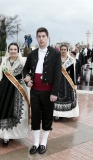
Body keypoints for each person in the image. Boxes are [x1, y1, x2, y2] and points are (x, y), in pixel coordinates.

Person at [23, 27, 61, 155]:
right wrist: (27, 77)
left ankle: (43, 142)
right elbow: (25, 69)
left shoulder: (55, 53)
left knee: (47, 117)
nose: (41, 38)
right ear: (36, 38)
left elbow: (57, 74)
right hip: (34, 91)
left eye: (43, 36)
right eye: (39, 36)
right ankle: (35, 143)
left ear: (47, 37)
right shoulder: (32, 54)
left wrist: (54, 92)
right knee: (35, 117)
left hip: (48, 91)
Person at [0, 43, 30, 146]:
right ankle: (5, 136)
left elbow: (27, 74)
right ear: (8, 50)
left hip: (17, 90)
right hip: (4, 90)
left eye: (15, 49)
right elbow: (0, 76)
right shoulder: (4, 62)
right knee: (3, 110)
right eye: (11, 49)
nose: (13, 51)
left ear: (18, 50)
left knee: (15, 112)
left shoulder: (22, 62)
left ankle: (12, 133)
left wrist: (28, 80)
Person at [53, 45, 79, 121]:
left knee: (67, 98)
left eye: (65, 49)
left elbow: (72, 73)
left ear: (67, 50)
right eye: (62, 49)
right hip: (57, 80)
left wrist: (73, 84)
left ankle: (65, 114)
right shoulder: (56, 59)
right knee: (57, 98)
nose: (63, 51)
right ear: (60, 50)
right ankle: (57, 114)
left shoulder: (70, 60)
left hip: (67, 81)